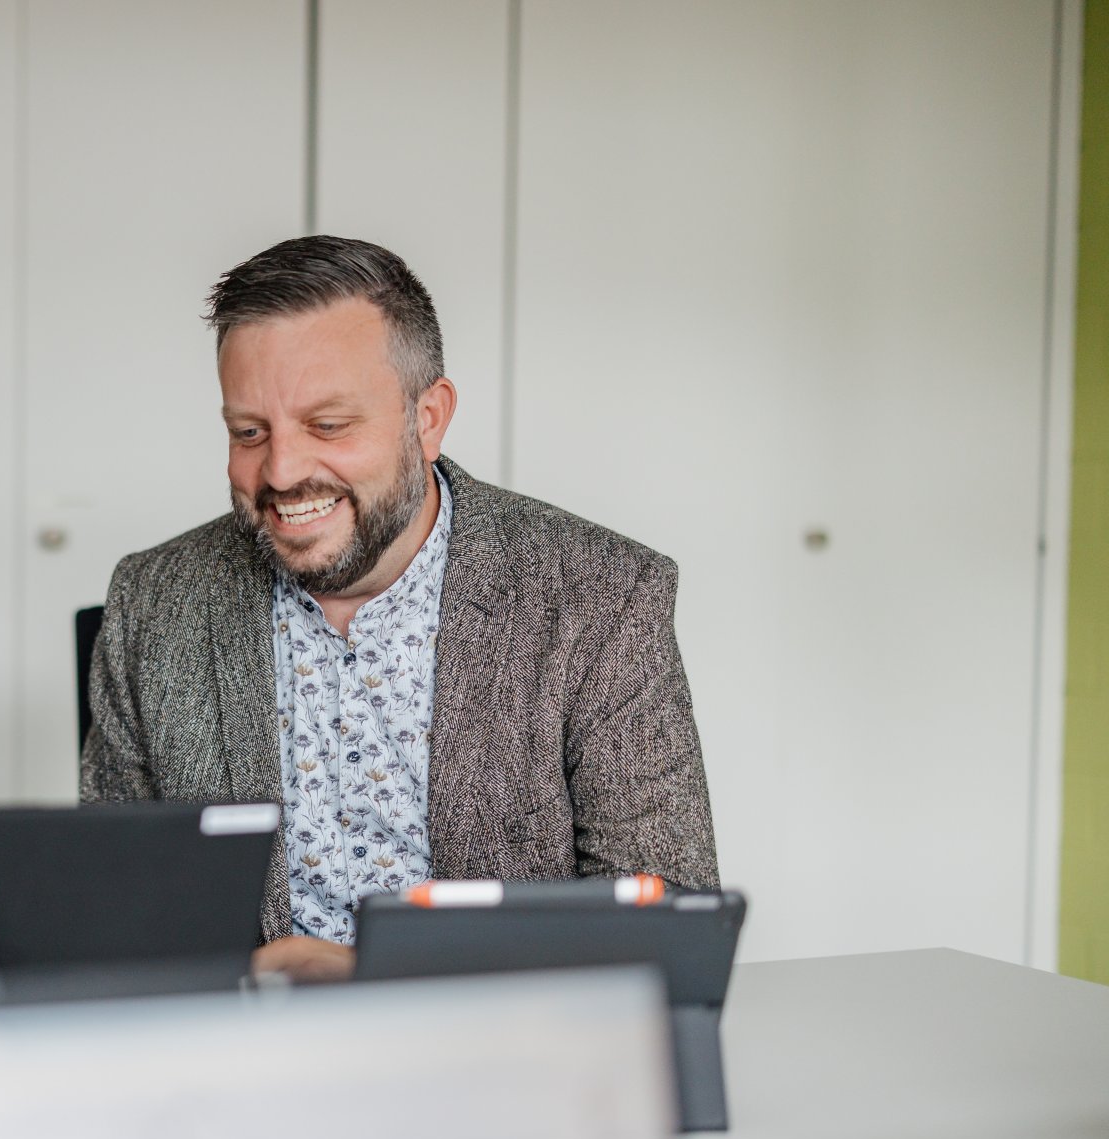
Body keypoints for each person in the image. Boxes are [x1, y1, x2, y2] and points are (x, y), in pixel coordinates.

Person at [81, 236, 716, 983]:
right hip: (245, 1063)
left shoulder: (600, 595)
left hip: (506, 1059)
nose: (282, 471)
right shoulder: (153, 603)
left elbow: (668, 918)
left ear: (429, 416)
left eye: (328, 425)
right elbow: (113, 912)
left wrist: (375, 973)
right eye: (249, 432)